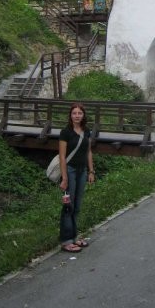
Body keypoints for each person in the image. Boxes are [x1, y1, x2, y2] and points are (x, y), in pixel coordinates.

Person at [59, 102, 95, 252]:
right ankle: (66, 241)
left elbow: (88, 152)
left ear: (83, 115)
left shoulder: (86, 131)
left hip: (82, 172)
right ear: (70, 115)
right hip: (70, 171)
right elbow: (62, 157)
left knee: (77, 206)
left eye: (80, 113)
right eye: (74, 113)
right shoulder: (65, 132)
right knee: (68, 207)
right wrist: (65, 177)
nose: (77, 116)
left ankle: (74, 237)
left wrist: (91, 171)